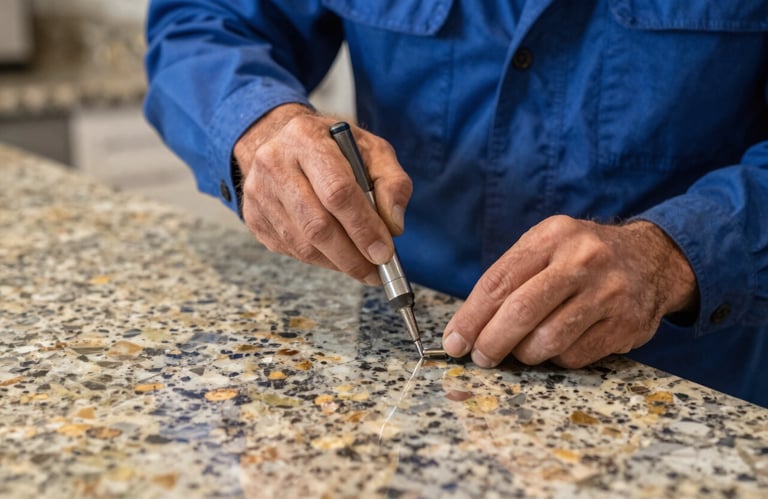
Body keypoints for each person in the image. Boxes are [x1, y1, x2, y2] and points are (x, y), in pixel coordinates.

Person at [143, 1, 768, 406]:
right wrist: (259, 128)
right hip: (411, 380)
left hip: (693, 387)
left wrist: (669, 258)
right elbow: (206, 20)